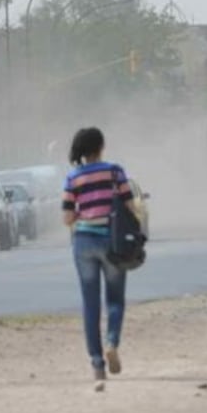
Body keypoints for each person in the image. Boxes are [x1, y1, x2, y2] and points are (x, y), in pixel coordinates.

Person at [62, 126, 138, 391]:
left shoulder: (73, 177)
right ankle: (111, 343)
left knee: (90, 304)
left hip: (83, 242)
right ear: (101, 146)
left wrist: (84, 214)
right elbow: (130, 206)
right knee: (115, 299)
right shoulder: (115, 171)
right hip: (112, 243)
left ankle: (97, 364)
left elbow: (67, 218)